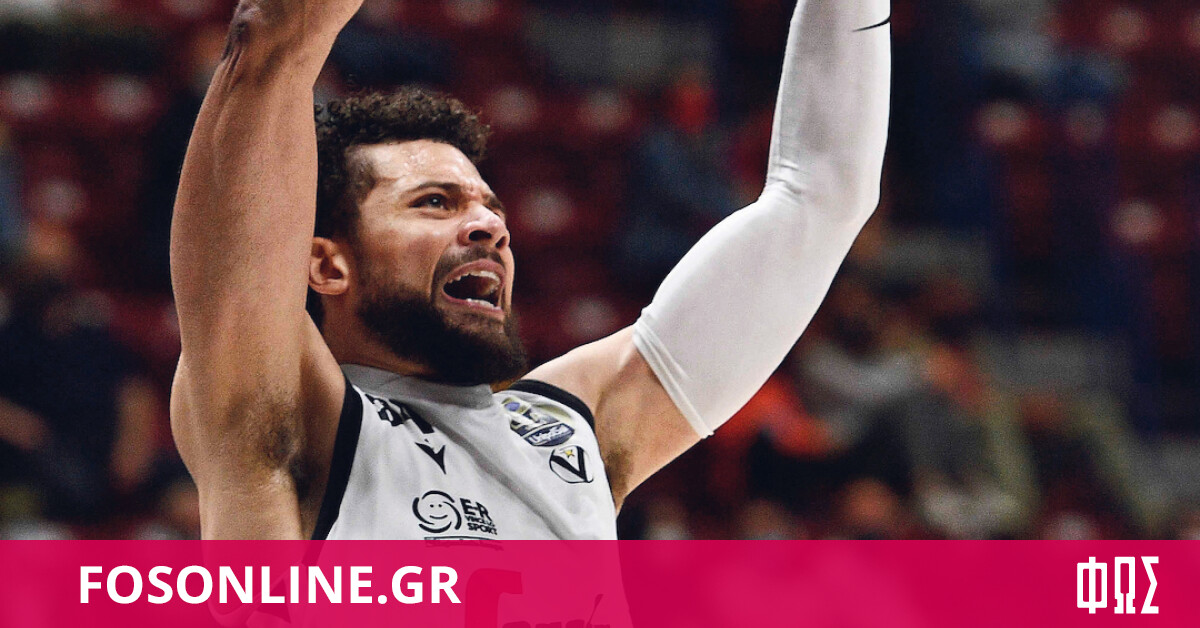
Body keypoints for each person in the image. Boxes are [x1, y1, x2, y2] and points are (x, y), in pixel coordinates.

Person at [169, 0, 891, 539]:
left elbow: (820, 199)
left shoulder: (573, 430)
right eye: (434, 203)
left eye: (490, 206)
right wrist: (286, 37)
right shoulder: (287, 420)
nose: (489, 227)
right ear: (326, 264)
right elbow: (273, 43)